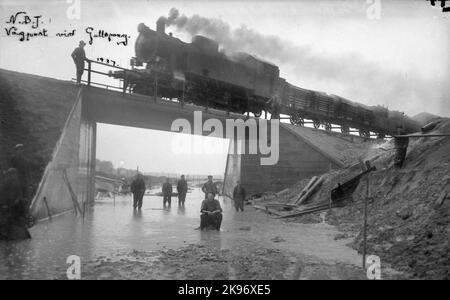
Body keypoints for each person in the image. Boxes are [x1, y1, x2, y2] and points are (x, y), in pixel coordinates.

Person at [0, 168, 31, 241]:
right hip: (9, 210)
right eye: (12, 174)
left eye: (14, 174)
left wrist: (17, 200)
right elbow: (3, 195)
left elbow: (19, 194)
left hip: (14, 210)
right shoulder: (6, 184)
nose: (14, 176)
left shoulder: (15, 183)